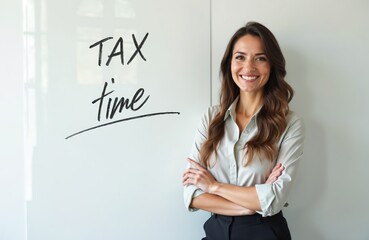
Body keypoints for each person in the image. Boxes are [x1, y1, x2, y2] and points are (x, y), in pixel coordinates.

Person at [182, 21, 305, 240]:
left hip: (265, 233)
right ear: (230, 64)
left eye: (260, 58)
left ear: (272, 66)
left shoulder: (289, 124)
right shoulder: (211, 119)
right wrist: (250, 206)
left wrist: (213, 185)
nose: (248, 67)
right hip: (216, 231)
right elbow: (192, 195)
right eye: (240, 57)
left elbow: (274, 200)